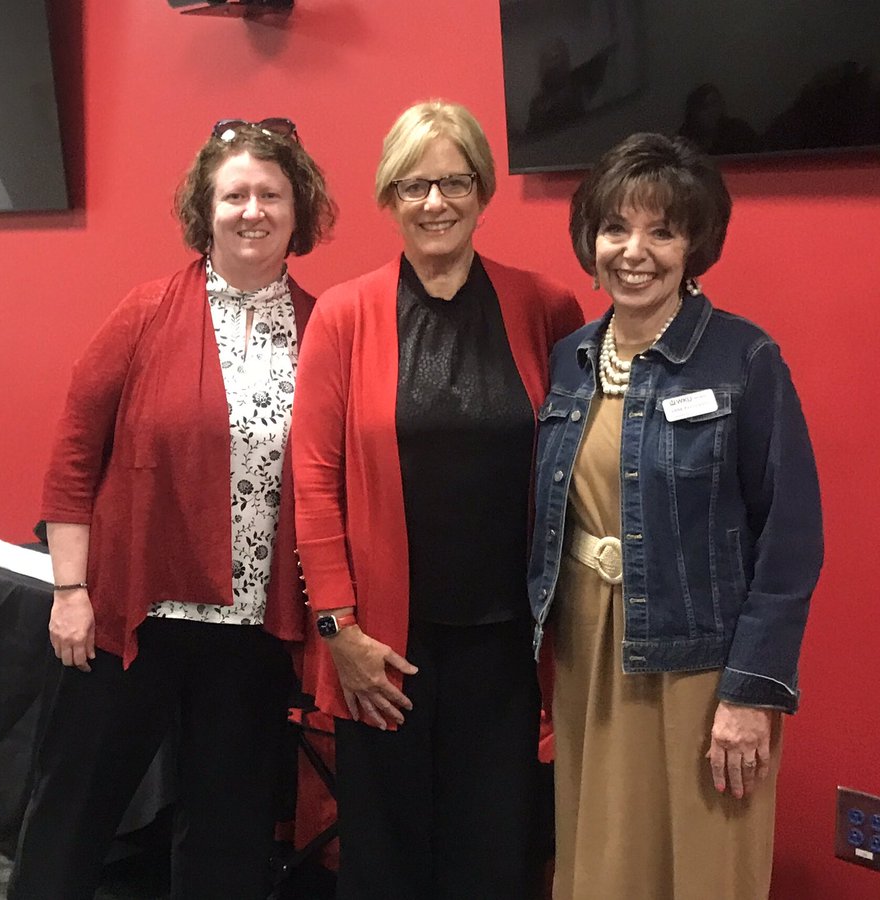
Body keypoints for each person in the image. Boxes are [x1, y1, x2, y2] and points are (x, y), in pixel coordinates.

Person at [7, 117, 336, 900]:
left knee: (229, 828)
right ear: (205, 210)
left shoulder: (326, 326)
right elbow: (74, 457)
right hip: (133, 617)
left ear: (298, 211)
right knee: (73, 808)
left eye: (270, 193)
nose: (251, 210)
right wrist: (69, 592)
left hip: (252, 631)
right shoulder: (146, 312)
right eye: (234, 195)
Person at [290, 100, 583, 899]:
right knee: (387, 859)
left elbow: (572, 468)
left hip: (508, 647)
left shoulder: (547, 309)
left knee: (494, 853)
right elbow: (312, 480)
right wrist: (339, 631)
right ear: (389, 197)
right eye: (414, 185)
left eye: (453, 181)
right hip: (385, 646)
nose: (435, 203)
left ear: (483, 189)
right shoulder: (346, 315)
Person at [528, 132, 823, 899]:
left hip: (700, 664)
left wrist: (752, 692)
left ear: (696, 243)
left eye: (663, 230)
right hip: (590, 651)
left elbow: (790, 541)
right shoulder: (571, 360)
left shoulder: (744, 360)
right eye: (616, 228)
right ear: (589, 240)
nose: (635, 251)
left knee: (702, 866)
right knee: (601, 856)